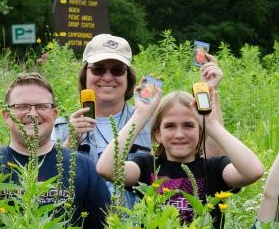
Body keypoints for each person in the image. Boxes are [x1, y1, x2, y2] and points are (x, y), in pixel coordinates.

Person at [53, 34, 225, 207]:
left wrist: (210, 93)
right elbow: (46, 185)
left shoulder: (153, 122)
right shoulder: (62, 128)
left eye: (117, 70)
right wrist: (69, 145)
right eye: (98, 69)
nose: (107, 77)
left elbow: (210, 163)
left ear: (128, 77)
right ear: (85, 75)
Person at [95, 85, 264, 229]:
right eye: (169, 126)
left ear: (200, 131)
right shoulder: (147, 165)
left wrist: (211, 124)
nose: (179, 134)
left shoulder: (214, 168)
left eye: (189, 125)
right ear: (157, 134)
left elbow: (253, 171)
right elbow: (106, 168)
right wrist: (141, 114)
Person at [0, 72, 110, 229]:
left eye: (42, 106)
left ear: (54, 114)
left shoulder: (82, 166)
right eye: (21, 106)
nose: (32, 113)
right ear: (6, 115)